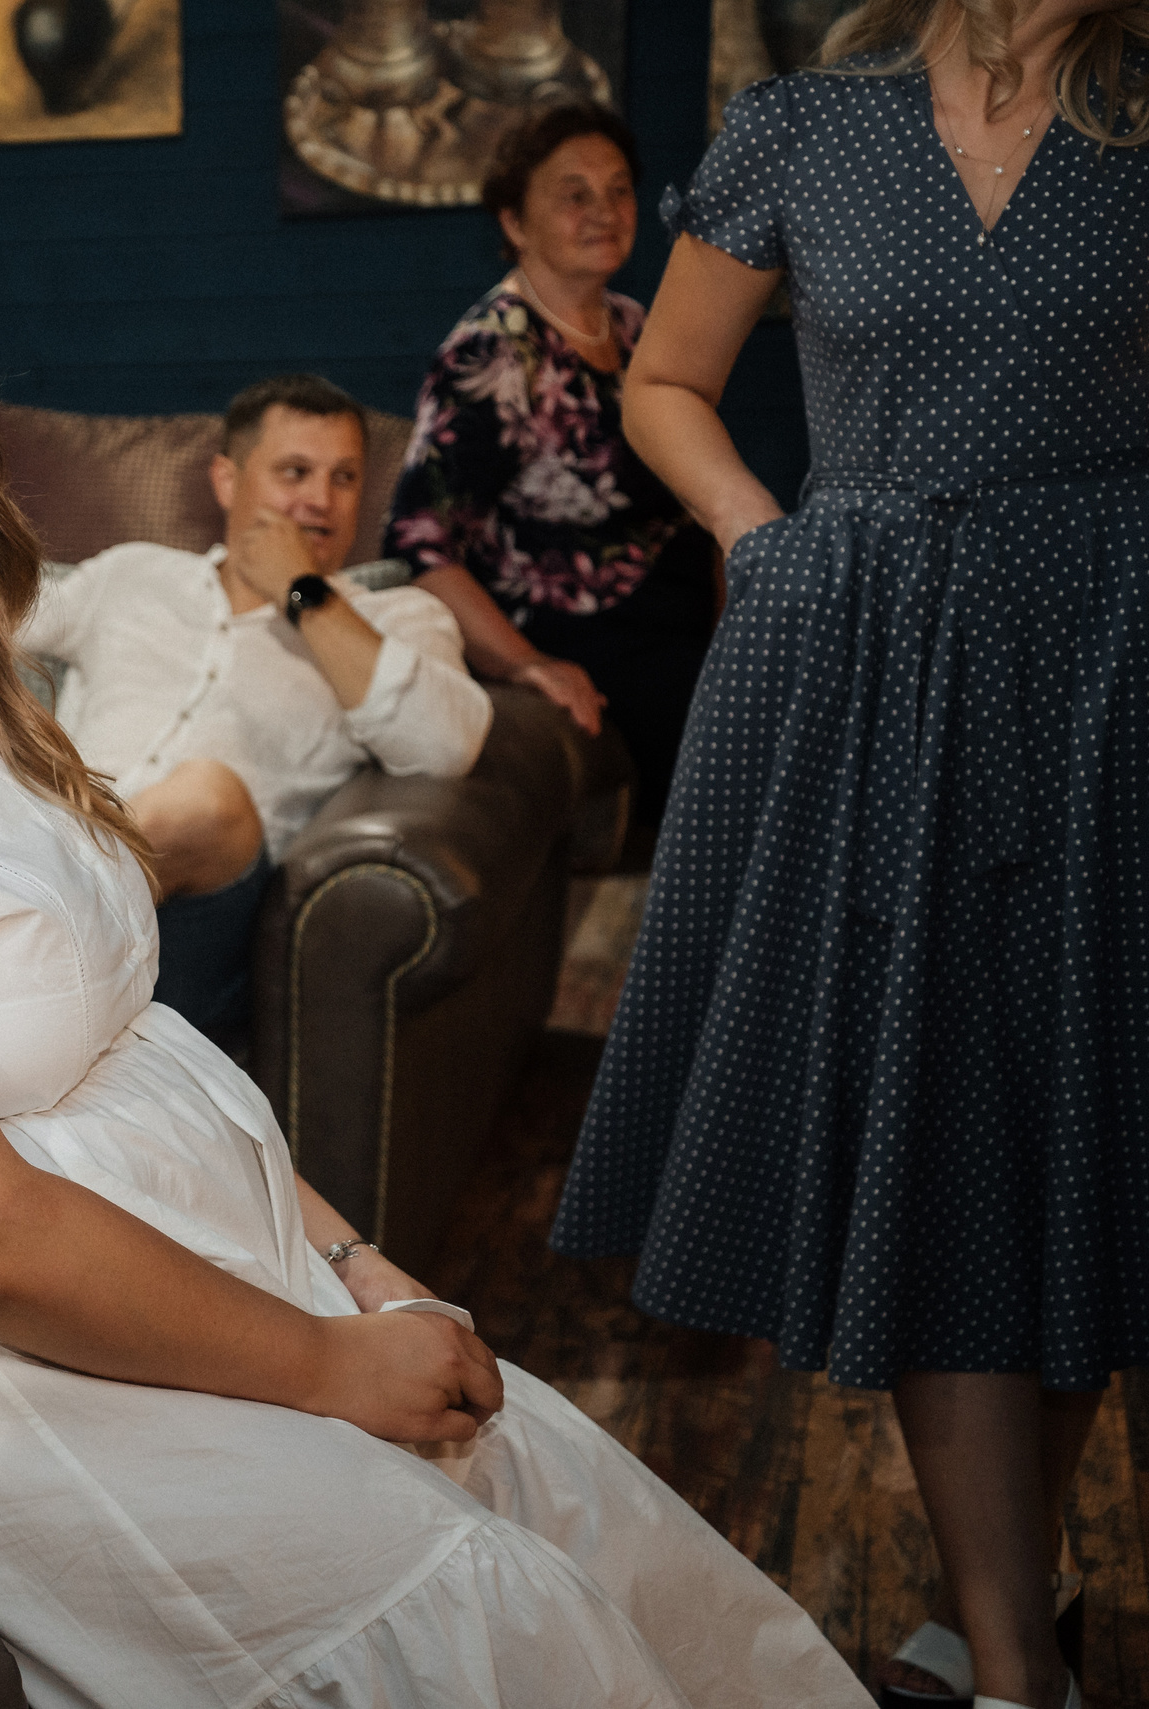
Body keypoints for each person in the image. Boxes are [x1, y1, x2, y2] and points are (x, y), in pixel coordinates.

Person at [0, 237, 870, 1709]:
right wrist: (323, 1369)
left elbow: (134, 1034)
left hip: (199, 1275)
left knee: (543, 1483)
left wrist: (348, 1262)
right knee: (470, 1607)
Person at [551, 3, 1149, 1707]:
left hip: (1110, 652)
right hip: (877, 656)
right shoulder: (803, 128)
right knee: (946, 1112)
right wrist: (761, 523)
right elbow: (665, 377)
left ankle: (1002, 1600)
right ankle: (1021, 1657)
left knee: (1077, 1127)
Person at [18, 372, 491, 1044]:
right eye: (295, 472)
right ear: (228, 480)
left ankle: (12, 953)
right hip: (52, 855)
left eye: (345, 478)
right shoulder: (134, 574)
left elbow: (447, 742)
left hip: (209, 921)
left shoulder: (393, 617)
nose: (320, 501)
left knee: (207, 797)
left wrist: (304, 593)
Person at [384, 102, 718, 828]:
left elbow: (700, 498)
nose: (604, 210)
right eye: (574, 194)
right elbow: (420, 543)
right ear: (513, 222)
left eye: (620, 188)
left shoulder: (638, 328)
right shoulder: (494, 354)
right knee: (749, 743)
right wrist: (527, 665)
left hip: (688, 626)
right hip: (596, 641)